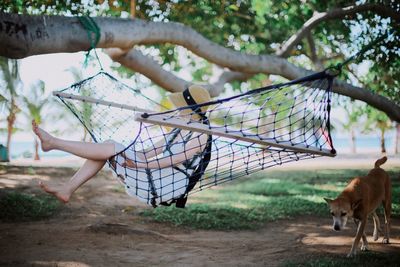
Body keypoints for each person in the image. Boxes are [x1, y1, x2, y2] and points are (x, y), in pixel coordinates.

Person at [34, 85, 211, 205]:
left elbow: (172, 160)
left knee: (111, 148)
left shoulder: (201, 134)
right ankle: (67, 189)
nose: (177, 109)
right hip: (156, 176)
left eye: (180, 106)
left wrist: (141, 165)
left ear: (188, 109)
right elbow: (147, 153)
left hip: (166, 185)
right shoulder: (177, 130)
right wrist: (130, 157)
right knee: (110, 148)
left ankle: (54, 143)